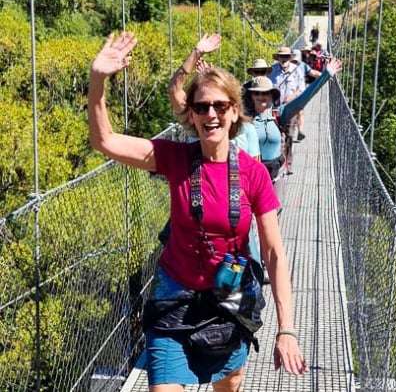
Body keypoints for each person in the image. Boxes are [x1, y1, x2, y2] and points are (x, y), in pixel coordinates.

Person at [88, 32, 307, 391]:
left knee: (230, 383)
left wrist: (286, 330)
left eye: (220, 106)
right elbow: (105, 141)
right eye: (202, 107)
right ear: (191, 114)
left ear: (235, 111)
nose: (211, 114)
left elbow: (273, 254)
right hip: (174, 301)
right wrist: (97, 79)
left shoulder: (253, 175)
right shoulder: (175, 158)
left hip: (228, 303)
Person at [246, 56, 343, 199]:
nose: (262, 96)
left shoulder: (279, 114)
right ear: (251, 96)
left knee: (274, 215)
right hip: (253, 176)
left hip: (276, 175)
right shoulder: (244, 119)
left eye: (266, 93)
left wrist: (325, 75)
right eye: (257, 93)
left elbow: (304, 98)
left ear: (272, 96)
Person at [268, 47, 304, 174]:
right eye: (281, 57)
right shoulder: (271, 70)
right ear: (278, 58)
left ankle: (288, 162)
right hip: (274, 108)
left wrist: (293, 96)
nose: (283, 59)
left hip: (290, 108)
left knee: (289, 134)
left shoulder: (297, 71)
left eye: (286, 57)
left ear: (290, 58)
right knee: (275, 134)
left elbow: (301, 89)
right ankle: (277, 161)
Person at [290, 49, 321, 142]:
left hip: (299, 93)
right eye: (293, 60)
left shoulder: (303, 66)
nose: (294, 63)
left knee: (300, 111)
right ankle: (288, 132)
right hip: (288, 93)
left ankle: (300, 131)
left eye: (296, 61)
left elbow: (313, 73)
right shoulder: (286, 66)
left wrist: (325, 75)